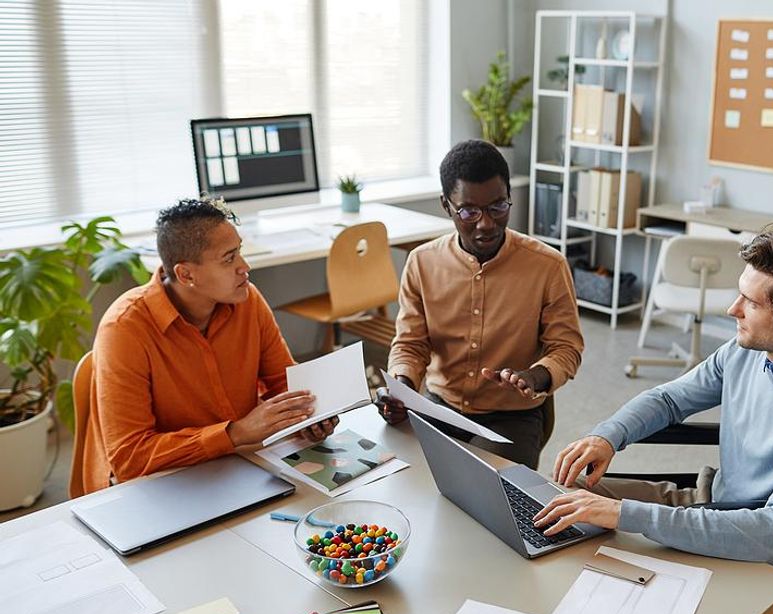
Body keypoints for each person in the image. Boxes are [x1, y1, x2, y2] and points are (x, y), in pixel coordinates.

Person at [534, 224, 773, 566]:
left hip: (764, 552)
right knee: (567, 495)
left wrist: (626, 515)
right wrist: (608, 436)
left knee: (603, 536)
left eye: (751, 303)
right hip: (711, 502)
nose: (733, 309)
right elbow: (670, 399)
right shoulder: (745, 352)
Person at [79, 197, 338, 494]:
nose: (245, 267)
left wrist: (308, 415)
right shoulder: (125, 328)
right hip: (157, 484)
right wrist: (236, 433)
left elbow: (284, 383)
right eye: (229, 258)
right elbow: (130, 457)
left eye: (239, 251)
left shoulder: (248, 300)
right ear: (186, 274)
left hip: (234, 467)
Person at [375, 140, 584, 469]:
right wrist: (402, 389)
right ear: (447, 205)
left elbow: (566, 348)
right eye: (469, 211)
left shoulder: (548, 266)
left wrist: (537, 376)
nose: (486, 223)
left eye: (498, 207)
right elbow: (411, 344)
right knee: (394, 475)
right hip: (439, 406)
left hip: (512, 418)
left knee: (492, 497)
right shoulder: (422, 262)